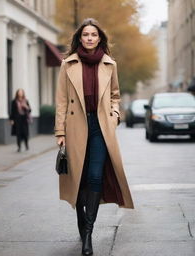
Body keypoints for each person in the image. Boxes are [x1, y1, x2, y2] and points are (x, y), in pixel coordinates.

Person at [54, 18, 134, 255]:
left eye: (94, 35)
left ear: (100, 39)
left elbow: (115, 95)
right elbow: (60, 101)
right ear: (80, 38)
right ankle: (81, 214)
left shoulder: (110, 64)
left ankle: (88, 233)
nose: (89, 38)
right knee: (79, 178)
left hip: (101, 126)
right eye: (85, 34)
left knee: (95, 176)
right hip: (75, 125)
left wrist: (114, 115)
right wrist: (60, 132)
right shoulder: (67, 64)